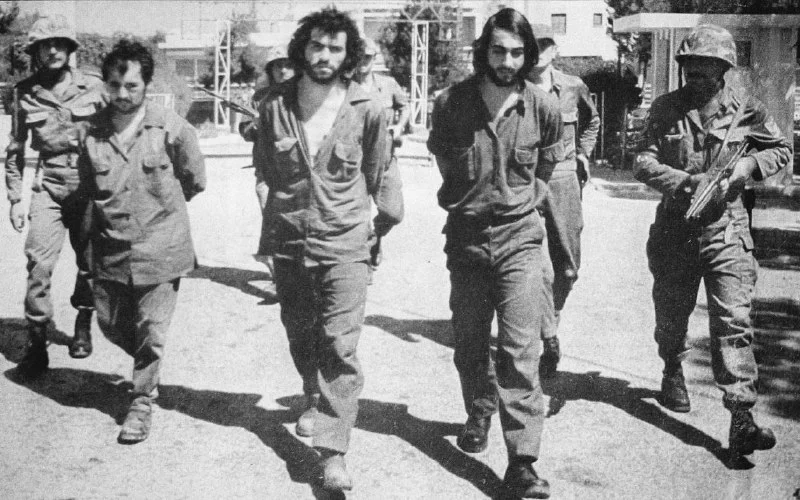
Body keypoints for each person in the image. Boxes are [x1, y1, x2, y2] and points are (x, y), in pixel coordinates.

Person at [252, 7, 403, 491]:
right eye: (316, 45)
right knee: (301, 334)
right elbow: (265, 171)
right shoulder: (274, 105)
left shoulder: (367, 107)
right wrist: (271, 226)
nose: (324, 55)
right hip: (290, 241)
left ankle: (333, 453)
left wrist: (377, 229)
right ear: (302, 48)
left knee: (340, 346)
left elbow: (379, 174)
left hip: (344, 243)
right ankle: (311, 397)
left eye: (335, 48)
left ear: (348, 55)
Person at [634, 24, 790, 457]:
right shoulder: (666, 108)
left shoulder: (748, 110)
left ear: (723, 70)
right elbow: (642, 161)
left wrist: (749, 167)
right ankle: (672, 368)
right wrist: (686, 181)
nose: (696, 78)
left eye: (706, 70)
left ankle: (741, 417)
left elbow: (780, 149)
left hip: (727, 230)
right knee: (671, 315)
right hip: (675, 231)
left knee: (733, 321)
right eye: (691, 69)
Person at [427, 9, 563, 499]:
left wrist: (525, 199)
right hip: (466, 240)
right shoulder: (451, 103)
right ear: (484, 50)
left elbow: (549, 160)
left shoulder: (542, 105)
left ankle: (522, 461)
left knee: (519, 349)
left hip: (519, 239)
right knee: (468, 342)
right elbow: (444, 159)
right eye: (498, 50)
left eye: (517, 53)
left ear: (528, 56)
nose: (507, 61)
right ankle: (479, 409)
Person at [77, 40, 206, 444]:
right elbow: (87, 188)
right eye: (114, 85)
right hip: (111, 249)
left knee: (151, 328)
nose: (122, 94)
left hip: (160, 248)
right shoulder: (91, 133)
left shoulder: (172, 128)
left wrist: (160, 210)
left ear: (147, 85)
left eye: (132, 85)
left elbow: (195, 180)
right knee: (111, 324)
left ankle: (141, 400)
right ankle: (146, 370)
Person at [5, 15, 107, 380]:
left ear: (69, 49)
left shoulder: (94, 86)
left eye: (59, 44)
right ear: (35, 52)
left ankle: (83, 320)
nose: (52, 51)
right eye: (44, 45)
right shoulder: (24, 92)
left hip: (89, 184)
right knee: (38, 263)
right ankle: (37, 343)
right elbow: (15, 148)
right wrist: (15, 198)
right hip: (48, 184)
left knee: (90, 262)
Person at [527, 25, 600, 377]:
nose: (538, 52)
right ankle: (548, 337)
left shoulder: (572, 86)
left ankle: (550, 319)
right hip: (526, 181)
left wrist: (583, 154)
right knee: (537, 267)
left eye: (544, 45)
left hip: (563, 179)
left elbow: (592, 121)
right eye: (532, 45)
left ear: (555, 50)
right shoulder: (514, 87)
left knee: (567, 269)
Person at [354, 37, 408, 279]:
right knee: (358, 216)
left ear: (374, 59)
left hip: (385, 158)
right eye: (358, 57)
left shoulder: (387, 84)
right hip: (356, 162)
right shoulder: (344, 87)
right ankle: (363, 265)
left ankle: (375, 237)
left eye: (367, 57)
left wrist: (399, 127)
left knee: (393, 212)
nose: (362, 62)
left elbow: (404, 106)